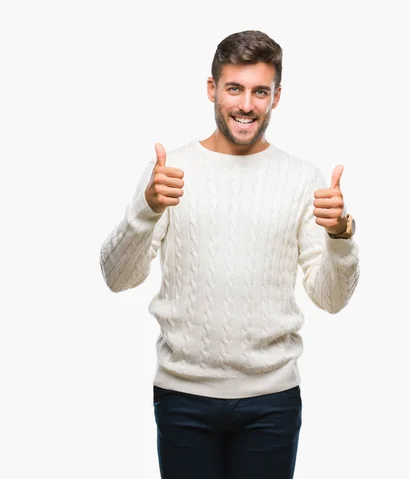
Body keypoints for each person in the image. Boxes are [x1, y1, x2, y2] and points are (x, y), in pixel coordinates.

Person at [99, 30, 359, 479]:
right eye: (234, 88)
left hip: (271, 403)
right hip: (183, 398)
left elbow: (331, 299)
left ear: (276, 97)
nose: (246, 105)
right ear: (211, 89)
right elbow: (117, 278)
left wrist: (340, 234)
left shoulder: (301, 178)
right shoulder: (171, 172)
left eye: (260, 91)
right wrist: (147, 209)